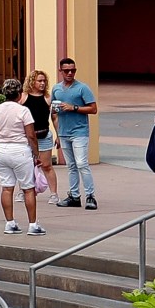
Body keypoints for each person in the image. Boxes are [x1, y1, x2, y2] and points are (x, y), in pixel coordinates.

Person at [0, 78, 44, 235]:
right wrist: (36, 154)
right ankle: (33, 225)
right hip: (20, 151)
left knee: (6, 188)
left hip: (1, 151)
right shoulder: (23, 111)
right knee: (28, 189)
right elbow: (31, 135)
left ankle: (10, 223)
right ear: (19, 94)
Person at [51, 57, 98, 209]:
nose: (70, 73)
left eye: (73, 70)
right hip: (64, 132)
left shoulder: (82, 88)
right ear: (61, 71)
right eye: (66, 71)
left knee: (82, 163)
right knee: (71, 165)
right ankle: (74, 196)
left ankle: (90, 196)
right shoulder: (56, 89)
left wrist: (74, 108)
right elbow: (53, 111)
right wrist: (57, 133)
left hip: (79, 131)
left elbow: (93, 108)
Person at [24, 70, 57, 196]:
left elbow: (54, 117)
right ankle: (25, 192)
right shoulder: (23, 97)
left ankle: (54, 193)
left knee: (46, 165)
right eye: (39, 81)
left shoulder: (48, 98)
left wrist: (58, 136)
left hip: (44, 136)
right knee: (26, 167)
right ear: (32, 82)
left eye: (44, 81)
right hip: (27, 137)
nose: (42, 83)